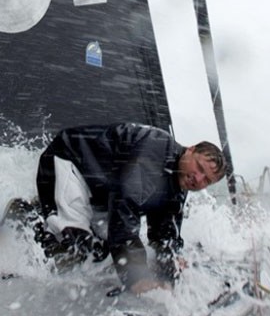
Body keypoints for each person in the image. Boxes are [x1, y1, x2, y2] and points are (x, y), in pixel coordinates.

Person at [34, 123, 226, 294]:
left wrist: (171, 266)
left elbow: (164, 235)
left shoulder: (178, 183)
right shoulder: (154, 151)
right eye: (199, 168)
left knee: (101, 253)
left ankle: (44, 211)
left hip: (98, 192)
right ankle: (29, 218)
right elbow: (124, 209)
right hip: (69, 160)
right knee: (79, 249)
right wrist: (137, 278)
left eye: (207, 180)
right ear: (190, 150)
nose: (198, 179)